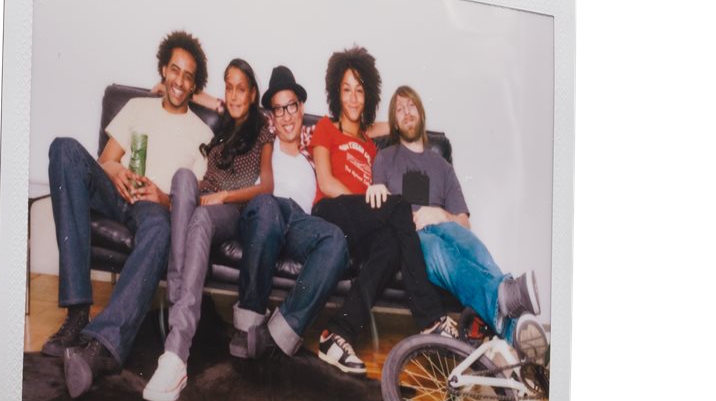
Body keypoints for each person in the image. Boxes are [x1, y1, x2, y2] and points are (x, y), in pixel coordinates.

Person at [42, 30, 214, 398]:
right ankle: (77, 314)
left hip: (155, 208)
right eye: (174, 70)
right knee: (64, 149)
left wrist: (163, 198)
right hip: (117, 193)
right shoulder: (138, 107)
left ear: (194, 84)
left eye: (188, 76)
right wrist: (116, 170)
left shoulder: (202, 133)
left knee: (160, 230)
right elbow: (106, 159)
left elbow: (194, 198)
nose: (179, 81)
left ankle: (102, 345)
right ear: (163, 70)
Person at [371, 84, 547, 360]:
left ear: (421, 113)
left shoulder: (442, 167)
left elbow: (463, 223)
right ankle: (512, 314)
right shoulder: (384, 158)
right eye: (399, 109)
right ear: (393, 121)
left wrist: (441, 214)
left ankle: (510, 327)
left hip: (445, 227)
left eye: (411, 105)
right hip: (411, 237)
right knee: (438, 249)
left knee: (472, 246)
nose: (406, 112)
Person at [307, 46, 456, 365]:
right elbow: (326, 182)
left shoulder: (369, 143)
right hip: (330, 213)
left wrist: (404, 115)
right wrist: (365, 202)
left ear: (369, 96)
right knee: (399, 207)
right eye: (346, 90)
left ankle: (337, 334)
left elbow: (392, 125)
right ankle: (430, 317)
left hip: (359, 227)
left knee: (390, 244)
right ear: (336, 93)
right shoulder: (326, 128)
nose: (353, 98)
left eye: (360, 91)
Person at [143, 57, 272, 401]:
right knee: (184, 176)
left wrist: (224, 196)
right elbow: (204, 98)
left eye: (241, 89)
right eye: (229, 88)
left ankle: (176, 352)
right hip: (205, 198)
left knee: (200, 217)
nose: (234, 95)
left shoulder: (262, 130)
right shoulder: (222, 127)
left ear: (253, 93)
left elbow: (267, 186)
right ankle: (179, 296)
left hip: (230, 210)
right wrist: (165, 87)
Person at [232, 66, 354, 368]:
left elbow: (352, 125)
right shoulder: (263, 138)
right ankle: (246, 325)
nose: (286, 116)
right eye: (278, 109)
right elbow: (231, 105)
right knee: (267, 207)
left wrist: (393, 124)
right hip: (263, 212)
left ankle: (276, 335)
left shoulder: (313, 147)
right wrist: (196, 95)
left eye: (291, 107)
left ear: (301, 108)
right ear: (271, 116)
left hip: (298, 223)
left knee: (335, 239)